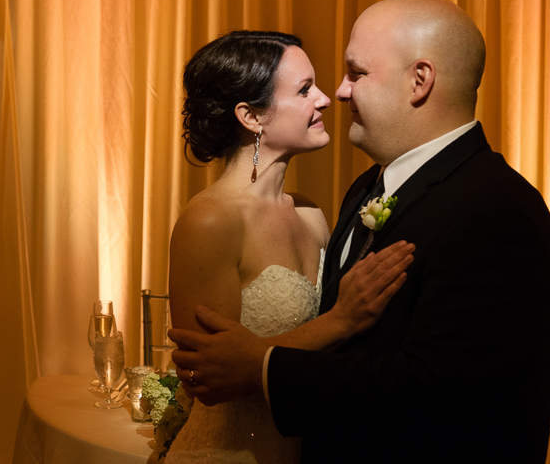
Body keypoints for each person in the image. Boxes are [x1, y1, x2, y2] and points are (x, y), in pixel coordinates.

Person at [169, 0, 550, 464]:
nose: (335, 94)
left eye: (355, 73)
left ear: (420, 80)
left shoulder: (498, 211)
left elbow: (441, 394)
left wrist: (261, 364)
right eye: (307, 88)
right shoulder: (367, 188)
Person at [164, 30, 415, 463]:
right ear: (251, 117)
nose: (324, 98)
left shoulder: (310, 214)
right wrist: (341, 320)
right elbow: (205, 382)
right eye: (304, 89)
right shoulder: (210, 221)